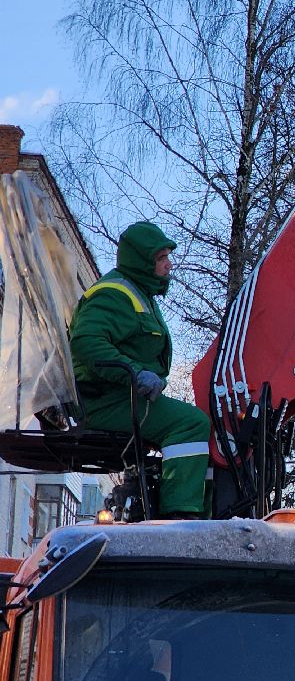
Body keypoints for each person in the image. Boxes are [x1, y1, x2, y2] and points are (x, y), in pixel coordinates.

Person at [70, 221, 210, 518]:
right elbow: (86, 342)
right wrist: (134, 373)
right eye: (161, 258)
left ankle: (204, 510)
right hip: (107, 400)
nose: (168, 265)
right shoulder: (113, 294)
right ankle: (180, 514)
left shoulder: (140, 294)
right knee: (191, 423)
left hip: (124, 397)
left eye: (167, 257)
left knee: (202, 426)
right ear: (141, 261)